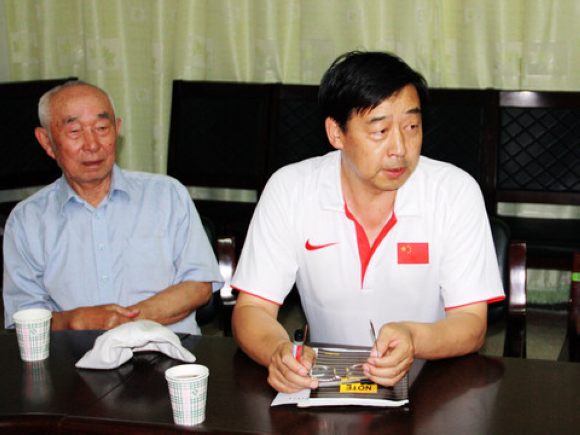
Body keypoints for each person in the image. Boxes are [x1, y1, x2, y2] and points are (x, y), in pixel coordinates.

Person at [230, 51, 505, 393]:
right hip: (327, 381)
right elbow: (253, 308)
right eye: (380, 130)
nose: (399, 148)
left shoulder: (454, 192)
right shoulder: (290, 189)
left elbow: (471, 324)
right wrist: (278, 353)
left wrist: (413, 338)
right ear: (336, 133)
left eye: (411, 127)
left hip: (433, 381)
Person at [3, 80, 223, 334]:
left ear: (117, 129)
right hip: (75, 355)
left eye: (101, 128)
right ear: (47, 142)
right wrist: (75, 321)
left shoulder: (167, 195)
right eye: (74, 131)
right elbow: (24, 316)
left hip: (165, 349)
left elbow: (199, 286)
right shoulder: (27, 220)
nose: (92, 144)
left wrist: (124, 322)